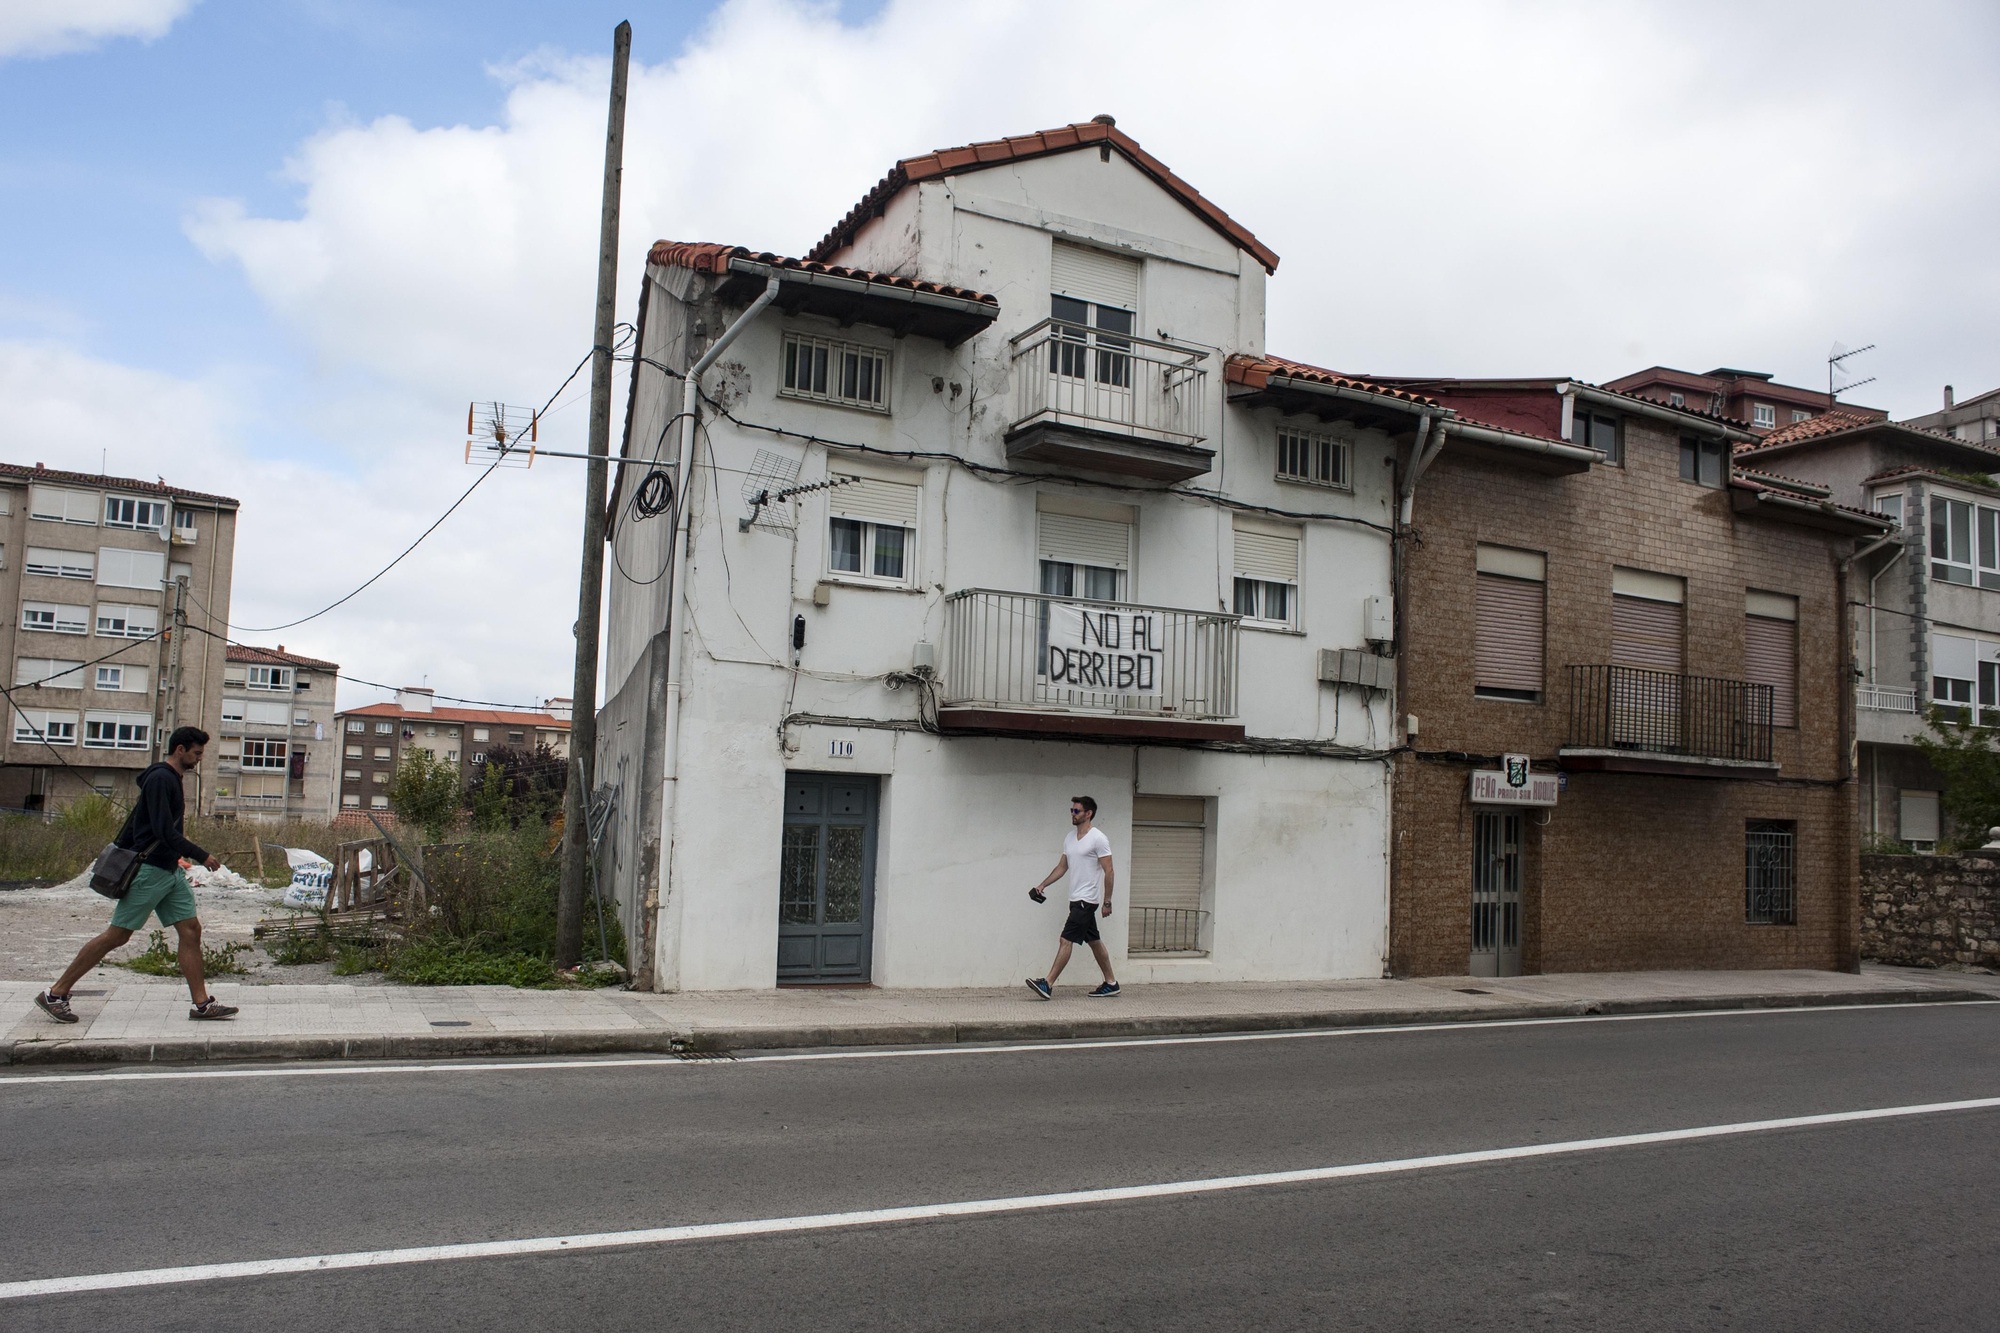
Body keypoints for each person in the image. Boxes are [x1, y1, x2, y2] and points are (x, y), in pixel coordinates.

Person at [35, 726, 239, 1024]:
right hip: (151, 870)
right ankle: (56, 993)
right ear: (180, 749)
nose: (199, 759)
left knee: (191, 930)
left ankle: (202, 1004)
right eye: (196, 753)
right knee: (117, 935)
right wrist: (201, 855)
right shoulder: (160, 779)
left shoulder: (172, 779)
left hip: (169, 872)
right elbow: (162, 830)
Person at [1025, 794, 1119, 999]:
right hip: (1076, 899)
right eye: (1072, 810)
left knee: (1065, 939)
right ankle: (1111, 983)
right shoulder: (1069, 838)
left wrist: (1107, 901)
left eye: (1076, 811)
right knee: (1094, 941)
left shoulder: (1098, 838)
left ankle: (1047, 984)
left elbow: (1109, 871)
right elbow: (1062, 867)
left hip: (1087, 901)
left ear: (1088, 814)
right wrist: (1043, 885)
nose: (1073, 814)